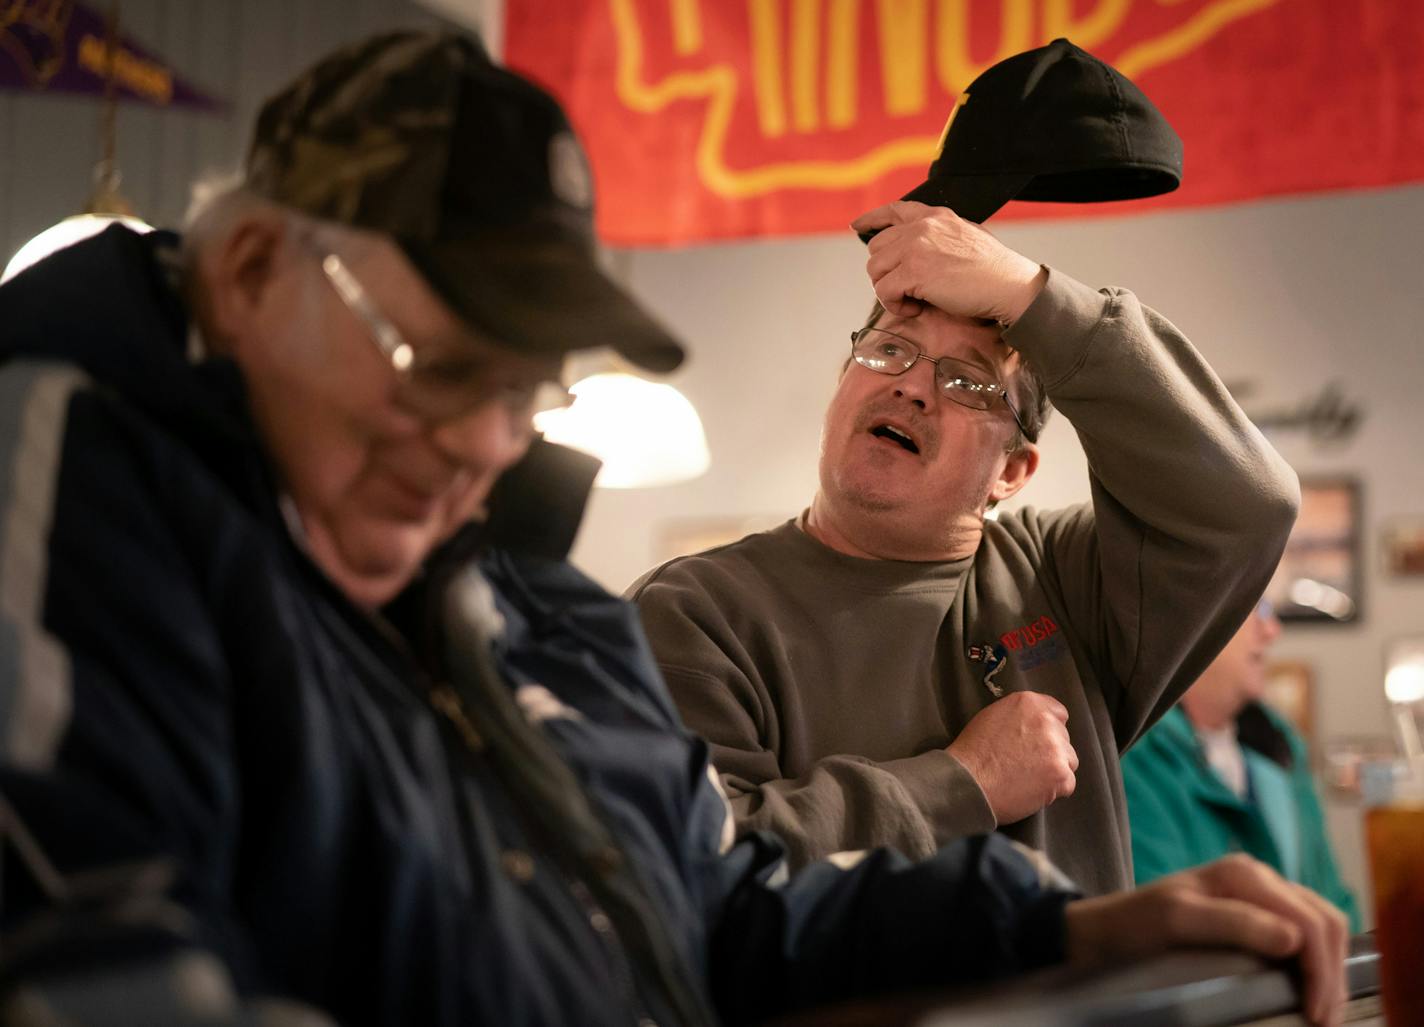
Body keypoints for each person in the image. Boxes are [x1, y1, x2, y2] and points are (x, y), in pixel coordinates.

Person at [0, 29, 1347, 1027]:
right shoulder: (75, 482)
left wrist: (1062, 928)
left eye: (523, 385)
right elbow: (97, 960)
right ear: (247, 273)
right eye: (445, 358)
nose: (490, 439)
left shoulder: (521, 599)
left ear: (1015, 470)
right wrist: (961, 792)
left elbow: (713, 901)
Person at [630, 196, 1301, 896]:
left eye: (969, 381)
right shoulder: (692, 613)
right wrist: (961, 784)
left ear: (1012, 473)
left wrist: (1026, 290)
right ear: (843, 382)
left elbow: (1247, 504)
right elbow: (675, 872)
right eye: (890, 348)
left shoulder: (1066, 580)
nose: (914, 385)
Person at [1123, 599, 1361, 929]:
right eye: (1256, 608)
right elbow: (1156, 930)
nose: (1272, 630)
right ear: (1191, 621)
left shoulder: (1281, 744)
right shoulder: (1133, 757)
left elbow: (1333, 900)